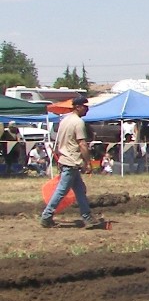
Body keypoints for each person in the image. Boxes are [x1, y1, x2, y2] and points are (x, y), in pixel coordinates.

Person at [40, 96, 104, 228]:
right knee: (62, 191)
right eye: (85, 107)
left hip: (66, 159)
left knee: (80, 190)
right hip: (72, 161)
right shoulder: (78, 123)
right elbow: (82, 144)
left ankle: (87, 216)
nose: (87, 109)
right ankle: (46, 216)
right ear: (78, 107)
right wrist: (88, 162)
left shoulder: (65, 120)